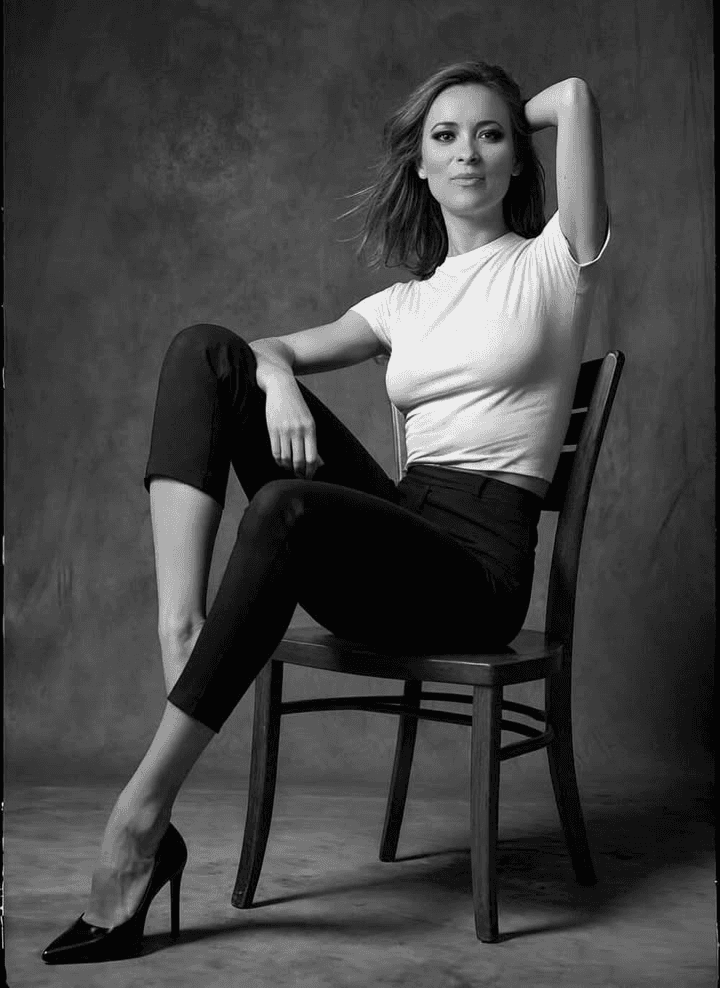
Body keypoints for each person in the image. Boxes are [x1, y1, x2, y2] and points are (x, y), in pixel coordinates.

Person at [41, 60, 609, 963]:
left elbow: (573, 96)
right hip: (401, 535)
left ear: (519, 157)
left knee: (287, 507)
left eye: (491, 136)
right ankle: (182, 634)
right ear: (419, 165)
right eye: (444, 137)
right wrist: (276, 381)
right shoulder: (403, 303)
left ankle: (138, 822)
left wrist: (506, 106)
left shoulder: (556, 259)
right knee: (206, 353)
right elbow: (260, 349)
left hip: (475, 577)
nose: (467, 153)